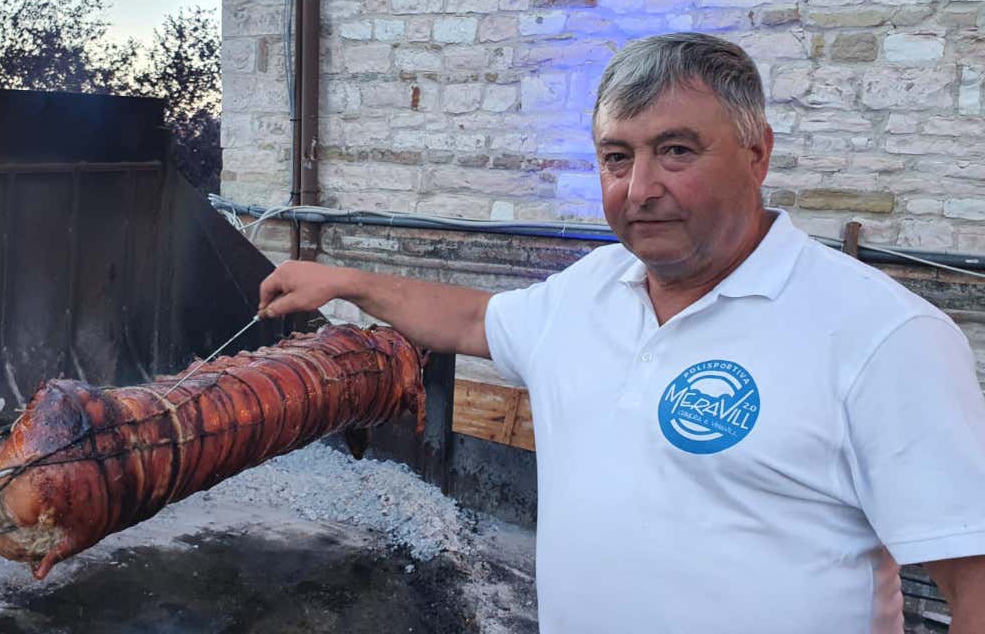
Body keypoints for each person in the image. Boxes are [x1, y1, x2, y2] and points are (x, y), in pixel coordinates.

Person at [257, 33, 985, 633]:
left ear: (757, 153)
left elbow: (973, 581)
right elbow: (477, 319)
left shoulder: (884, 336)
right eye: (617, 156)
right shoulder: (590, 289)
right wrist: (349, 282)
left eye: (676, 151)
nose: (640, 188)